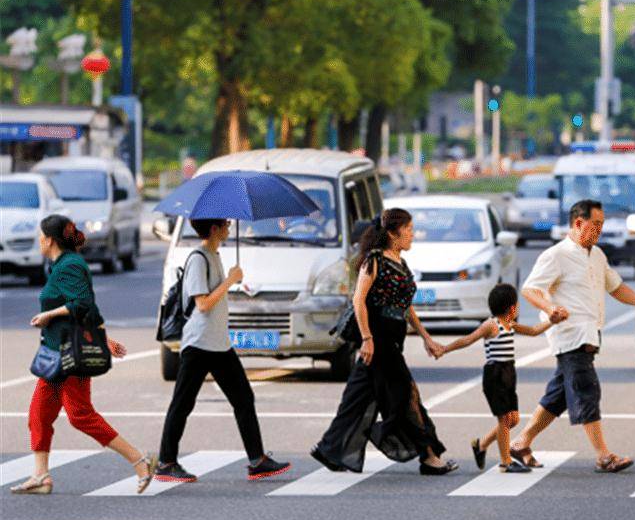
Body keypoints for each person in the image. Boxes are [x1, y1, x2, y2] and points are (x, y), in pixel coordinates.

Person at [509, 200, 635, 473]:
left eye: (602, 224)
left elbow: (615, 287)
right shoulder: (555, 255)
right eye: (596, 224)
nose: (600, 230)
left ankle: (520, 443)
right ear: (579, 223)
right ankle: (603, 455)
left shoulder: (597, 255)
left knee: (556, 397)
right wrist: (550, 307)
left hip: (590, 335)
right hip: (570, 337)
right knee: (587, 390)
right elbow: (530, 289)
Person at [12, 215, 156, 495]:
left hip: (70, 356)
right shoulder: (59, 265)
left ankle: (139, 460)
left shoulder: (70, 265)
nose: (38, 240)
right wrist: (105, 339)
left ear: (50, 239)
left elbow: (83, 304)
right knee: (39, 414)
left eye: (41, 236)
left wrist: (48, 315)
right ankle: (41, 476)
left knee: (80, 415)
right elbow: (91, 310)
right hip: (56, 355)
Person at [311, 209, 458, 475]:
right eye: (409, 229)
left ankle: (330, 449)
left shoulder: (400, 262)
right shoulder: (374, 261)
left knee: (357, 396)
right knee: (406, 394)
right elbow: (359, 300)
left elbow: (405, 307)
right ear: (392, 233)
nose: (414, 234)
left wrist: (426, 337)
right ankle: (428, 455)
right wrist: (367, 339)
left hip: (392, 338)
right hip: (378, 338)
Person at [155, 218, 290, 482]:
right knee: (182, 404)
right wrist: (230, 280)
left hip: (219, 344)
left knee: (244, 399)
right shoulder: (199, 258)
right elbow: (202, 304)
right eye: (226, 224)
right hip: (199, 344)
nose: (230, 228)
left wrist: (232, 280)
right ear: (214, 229)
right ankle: (166, 462)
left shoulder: (214, 255)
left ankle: (257, 460)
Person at [434, 283, 559, 473]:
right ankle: (505, 462)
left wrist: (553, 321)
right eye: (516, 305)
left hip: (509, 373)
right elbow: (468, 339)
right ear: (511, 307)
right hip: (495, 375)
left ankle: (481, 444)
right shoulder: (491, 325)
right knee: (504, 420)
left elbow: (533, 331)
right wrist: (444, 349)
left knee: (513, 419)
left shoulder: (510, 324)